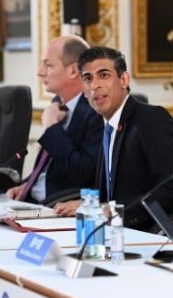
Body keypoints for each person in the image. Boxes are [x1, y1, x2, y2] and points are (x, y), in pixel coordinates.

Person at [55, 46, 173, 230]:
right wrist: (89, 204)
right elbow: (112, 190)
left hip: (148, 232)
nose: (95, 85)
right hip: (112, 230)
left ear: (124, 80)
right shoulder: (107, 125)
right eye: (88, 79)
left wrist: (112, 210)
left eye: (104, 75)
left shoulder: (151, 119)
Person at [6, 35, 102, 203]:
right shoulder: (57, 104)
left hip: (59, 206)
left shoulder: (96, 111)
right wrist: (28, 185)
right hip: (32, 202)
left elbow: (82, 173)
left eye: (48, 65)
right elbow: (50, 168)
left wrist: (51, 127)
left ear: (73, 71)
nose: (40, 72)